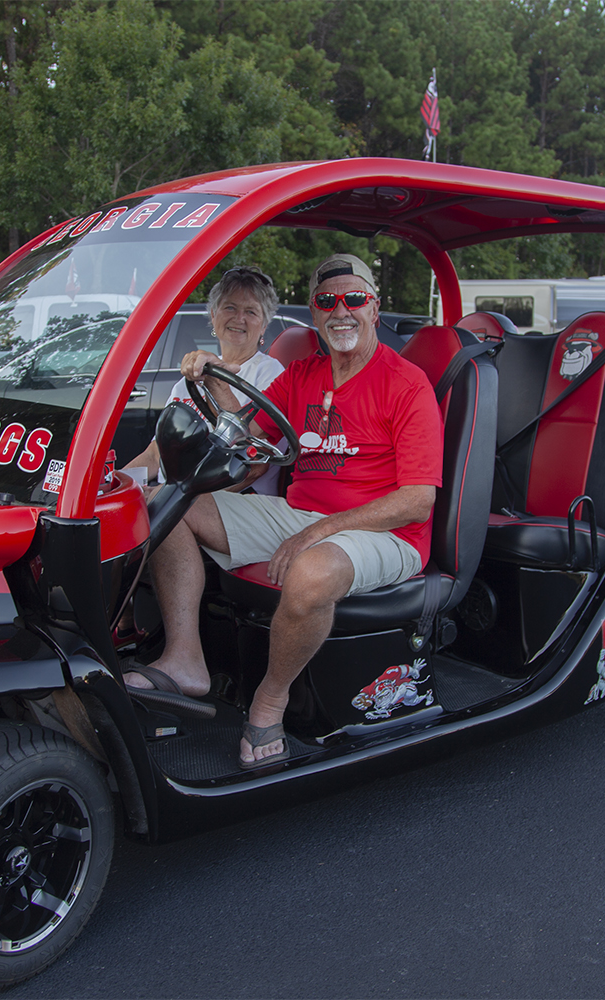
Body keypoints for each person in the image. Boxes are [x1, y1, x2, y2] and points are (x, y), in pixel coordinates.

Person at [127, 253, 443, 768]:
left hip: (390, 532)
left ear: (374, 308)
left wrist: (318, 532)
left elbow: (417, 501)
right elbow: (244, 440)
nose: (341, 310)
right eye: (326, 300)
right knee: (170, 502)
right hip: (302, 516)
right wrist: (213, 381)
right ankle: (185, 659)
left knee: (312, 569)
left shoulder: (406, 383)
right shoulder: (300, 375)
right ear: (314, 313)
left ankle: (270, 701)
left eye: (354, 299)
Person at [125, 265, 285, 494]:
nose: (239, 318)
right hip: (171, 492)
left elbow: (256, 466)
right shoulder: (192, 376)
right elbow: (156, 453)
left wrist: (182, 500)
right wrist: (113, 483)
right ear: (213, 315)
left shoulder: (270, 373)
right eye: (230, 307)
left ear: (264, 326)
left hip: (226, 500)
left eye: (251, 312)